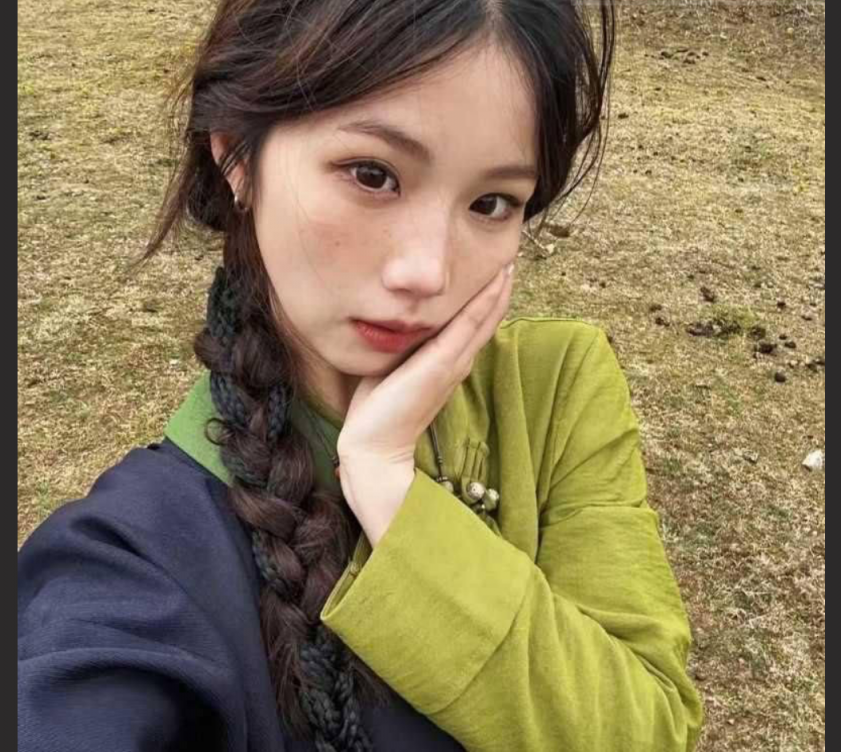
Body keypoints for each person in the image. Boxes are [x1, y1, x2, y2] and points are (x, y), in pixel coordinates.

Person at [18, 0, 705, 749]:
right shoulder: (135, 558)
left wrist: (389, 487)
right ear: (238, 156)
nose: (427, 271)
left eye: (491, 203)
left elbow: (648, 726)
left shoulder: (554, 387)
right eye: (373, 175)